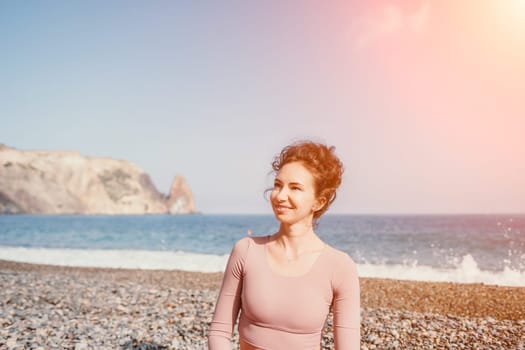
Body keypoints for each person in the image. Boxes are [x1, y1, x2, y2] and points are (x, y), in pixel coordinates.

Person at [208, 140, 360, 350]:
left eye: (295, 188)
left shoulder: (340, 267)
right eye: (278, 185)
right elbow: (219, 332)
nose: (280, 196)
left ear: (319, 201)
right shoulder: (246, 251)